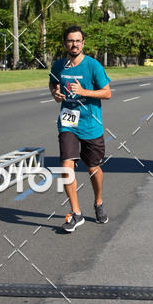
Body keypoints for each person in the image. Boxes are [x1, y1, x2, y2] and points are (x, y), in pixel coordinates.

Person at [49, 25, 111, 233]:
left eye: (77, 41)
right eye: (70, 41)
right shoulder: (58, 65)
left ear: (83, 43)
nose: (73, 44)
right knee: (66, 167)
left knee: (93, 169)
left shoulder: (93, 66)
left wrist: (85, 91)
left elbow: (107, 93)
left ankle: (98, 202)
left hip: (91, 124)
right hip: (68, 123)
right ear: (65, 43)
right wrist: (56, 95)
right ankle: (76, 214)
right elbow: (53, 85)